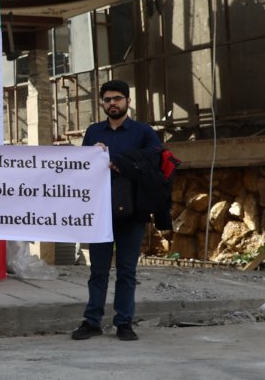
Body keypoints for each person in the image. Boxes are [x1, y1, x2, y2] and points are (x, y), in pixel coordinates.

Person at [71, 79, 162, 343]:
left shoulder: (143, 132)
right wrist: (92, 154)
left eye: (117, 99)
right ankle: (92, 321)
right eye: (108, 99)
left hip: (132, 210)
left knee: (126, 270)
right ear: (102, 103)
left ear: (128, 102)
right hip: (100, 210)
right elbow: (82, 167)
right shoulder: (93, 132)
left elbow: (156, 163)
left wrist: (121, 163)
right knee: (97, 270)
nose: (113, 103)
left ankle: (124, 322)